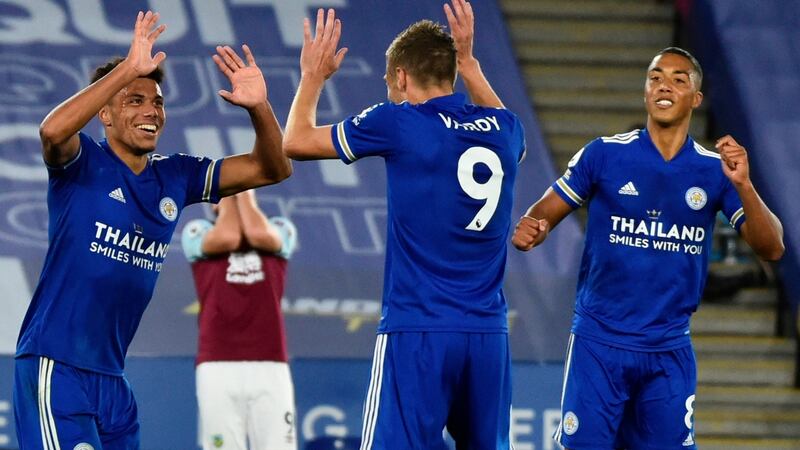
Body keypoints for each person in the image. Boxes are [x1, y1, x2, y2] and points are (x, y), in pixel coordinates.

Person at [13, 10, 291, 450]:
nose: (151, 111)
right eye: (134, 100)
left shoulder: (175, 175)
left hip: (113, 379)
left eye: (157, 102)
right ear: (105, 114)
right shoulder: (82, 162)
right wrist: (128, 68)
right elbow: (51, 131)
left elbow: (272, 168)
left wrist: (259, 107)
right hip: (56, 365)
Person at [511, 47, 784, 449]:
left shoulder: (714, 171)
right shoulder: (604, 153)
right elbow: (543, 213)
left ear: (696, 98)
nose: (664, 86)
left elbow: (772, 247)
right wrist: (534, 227)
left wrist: (744, 185)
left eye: (678, 79)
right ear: (645, 92)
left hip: (667, 351)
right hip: (599, 344)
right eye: (655, 78)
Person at [282, 1, 525, 448]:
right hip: (487, 334)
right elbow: (516, 140)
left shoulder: (399, 121)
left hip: (418, 329)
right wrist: (470, 64)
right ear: (453, 72)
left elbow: (295, 141)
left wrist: (313, 76)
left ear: (400, 77)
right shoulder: (505, 130)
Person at [181, 190, 298, 450]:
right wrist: (230, 198)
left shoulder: (281, 228)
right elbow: (229, 238)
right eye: (226, 191)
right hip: (216, 365)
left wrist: (241, 191)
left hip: (271, 365)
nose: (232, 194)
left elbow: (256, 235)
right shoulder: (197, 232)